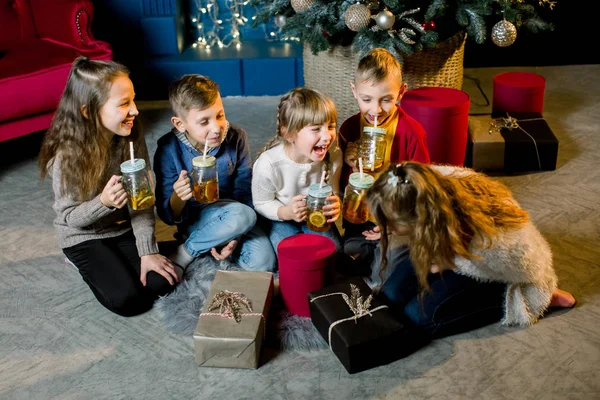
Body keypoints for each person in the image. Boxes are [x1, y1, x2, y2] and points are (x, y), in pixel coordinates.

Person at [366, 161, 577, 337]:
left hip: (504, 271)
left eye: (391, 221)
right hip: (448, 245)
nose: (386, 227)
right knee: (391, 294)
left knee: (418, 317)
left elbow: (531, 268)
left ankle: (544, 297)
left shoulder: (491, 244)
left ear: (420, 220)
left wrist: (444, 261)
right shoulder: (415, 181)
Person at [38, 57, 179, 317]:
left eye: (133, 99)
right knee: (129, 301)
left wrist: (148, 252)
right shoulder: (67, 156)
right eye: (124, 103)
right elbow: (70, 218)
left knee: (163, 283)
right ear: (87, 111)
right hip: (82, 235)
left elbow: (142, 202)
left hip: (121, 228)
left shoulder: (131, 139)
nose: (135, 110)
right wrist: (102, 203)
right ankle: (77, 261)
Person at [153, 74, 275, 273]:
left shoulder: (236, 137)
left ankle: (212, 242)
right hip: (196, 218)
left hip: (237, 214)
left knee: (263, 262)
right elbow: (167, 216)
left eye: (219, 115)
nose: (216, 127)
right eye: (204, 122)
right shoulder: (168, 149)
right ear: (179, 124)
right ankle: (186, 251)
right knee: (242, 215)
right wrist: (178, 197)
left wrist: (236, 233)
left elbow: (244, 191)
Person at [338, 48, 430, 279]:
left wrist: (397, 223)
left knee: (389, 271)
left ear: (401, 92)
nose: (376, 110)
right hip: (360, 220)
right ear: (354, 91)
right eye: (366, 99)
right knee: (345, 256)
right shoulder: (348, 129)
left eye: (386, 99)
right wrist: (348, 165)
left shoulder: (412, 132)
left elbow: (424, 187)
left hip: (397, 220)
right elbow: (339, 186)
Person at [252, 87, 343, 253]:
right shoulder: (268, 164)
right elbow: (261, 203)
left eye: (331, 126)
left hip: (315, 216)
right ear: (289, 134)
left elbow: (334, 192)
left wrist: (336, 204)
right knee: (287, 251)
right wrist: (285, 212)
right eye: (316, 129)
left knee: (333, 252)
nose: (327, 136)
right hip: (280, 217)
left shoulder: (334, 156)